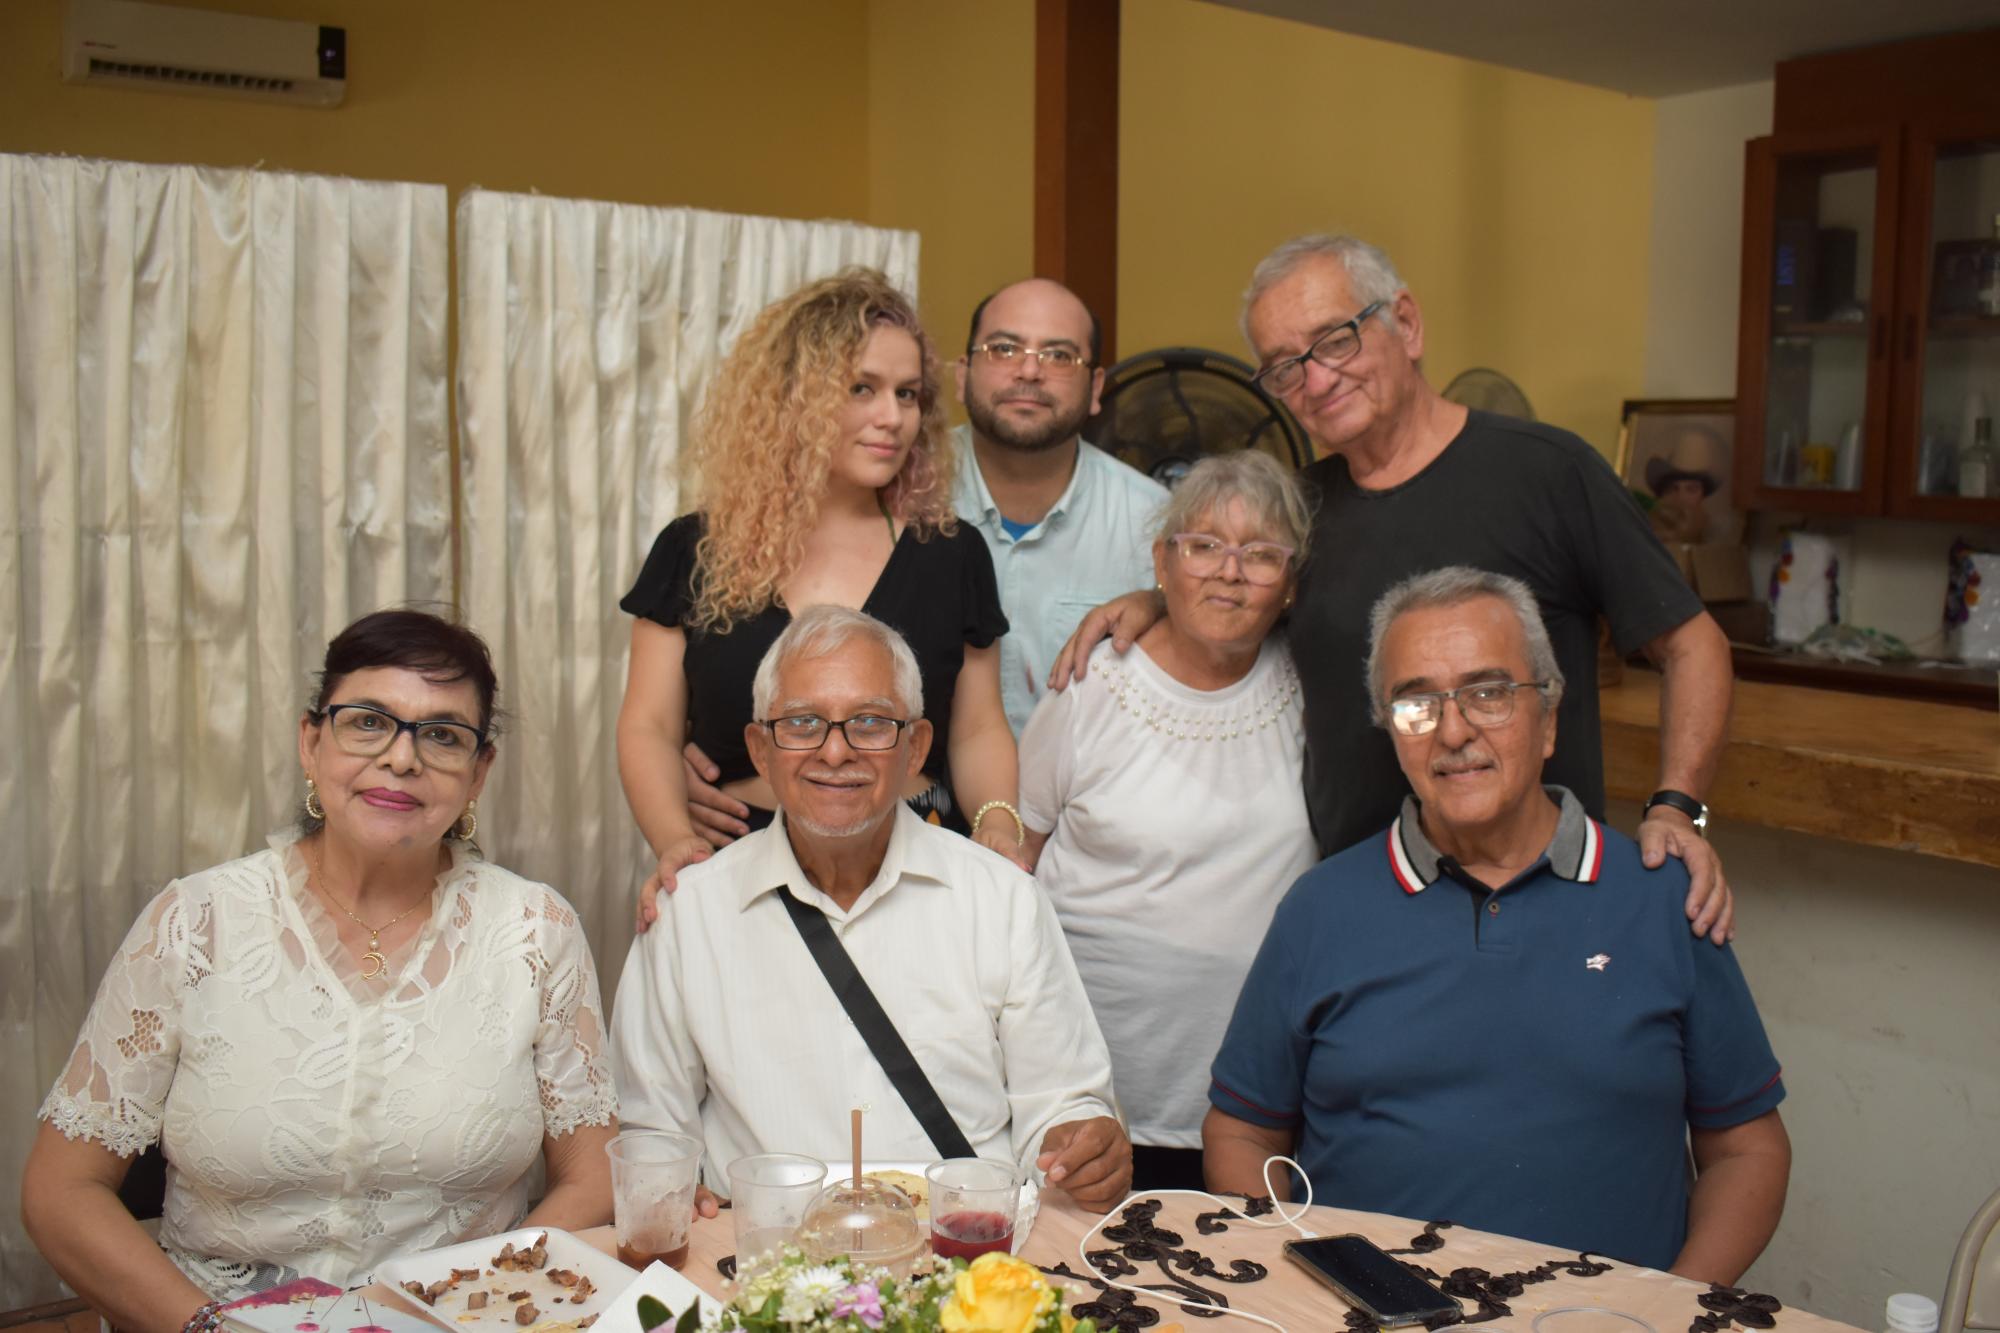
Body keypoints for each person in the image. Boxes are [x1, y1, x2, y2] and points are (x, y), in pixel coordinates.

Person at [1053, 234, 1738, 940]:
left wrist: (1677, 808)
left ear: (1405, 324)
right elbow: (1233, 601)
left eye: (1335, 341)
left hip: (1536, 904)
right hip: (1360, 912)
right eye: (1285, 367)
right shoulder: (1299, 511)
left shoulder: (1548, 473)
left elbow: (1693, 644)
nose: (1315, 381)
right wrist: (1160, 599)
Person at [22, 610, 616, 1327]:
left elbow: (592, 1173)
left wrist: (468, 1302)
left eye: (442, 735)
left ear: (479, 772)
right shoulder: (195, 920)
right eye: (367, 721)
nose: (402, 758)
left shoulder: (534, 930)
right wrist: (213, 1327)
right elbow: (62, 1190)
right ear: (311, 742)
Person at [1203, 567, 1790, 1282]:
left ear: (1548, 715)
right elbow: (1242, 1128)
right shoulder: (1321, 907)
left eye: (1487, 692)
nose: (1454, 730)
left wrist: (1670, 1311)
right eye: (1416, 703)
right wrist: (1291, 1287)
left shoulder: (1664, 896)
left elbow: (1747, 1150)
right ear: (1390, 729)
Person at [611, 605, 1131, 1210]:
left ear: (915, 748)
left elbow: (1064, 1109)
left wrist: (1083, 1148)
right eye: (803, 723)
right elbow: (652, 1135)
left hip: (963, 1266)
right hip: (761, 1272)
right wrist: (673, 1196)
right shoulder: (689, 915)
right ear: (759, 749)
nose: (836, 752)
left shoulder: (1002, 900)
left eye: (871, 723)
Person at [618, 269, 1022, 908]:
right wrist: (675, 841)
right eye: (862, 388)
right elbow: (647, 726)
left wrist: (999, 818)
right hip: (739, 862)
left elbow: (976, 729)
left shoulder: (952, 552)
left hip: (914, 854)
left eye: (909, 394)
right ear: (793, 397)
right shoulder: (695, 549)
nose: (893, 417)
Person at [1017, 451, 1314, 1193]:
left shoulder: (1315, 688)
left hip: (1255, 1105)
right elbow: (1016, 859)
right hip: (1089, 1091)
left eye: (1261, 554)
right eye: (1204, 545)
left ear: (1292, 585)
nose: (1228, 571)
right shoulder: (1090, 683)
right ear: (1162, 561)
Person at [950, 278, 1167, 735]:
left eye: (1059, 356)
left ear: (1096, 388)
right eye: (1004, 349)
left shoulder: (1154, 522)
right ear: (961, 374)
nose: (1029, 372)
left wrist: (1162, 602)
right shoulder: (900, 496)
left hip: (1085, 800)